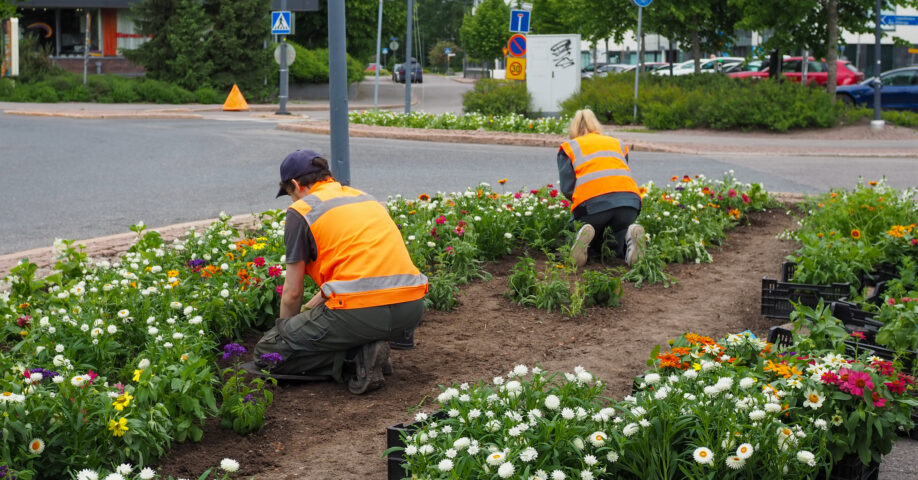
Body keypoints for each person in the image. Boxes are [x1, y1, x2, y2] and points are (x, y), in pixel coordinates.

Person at [250, 149, 428, 395]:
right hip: (410, 309)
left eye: (290, 194)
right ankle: (366, 350)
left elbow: (292, 292)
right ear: (327, 176)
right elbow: (356, 274)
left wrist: (285, 335)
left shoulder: (302, 211)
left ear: (295, 185)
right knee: (334, 320)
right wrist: (310, 311)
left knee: (267, 353)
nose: (292, 201)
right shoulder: (363, 198)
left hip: (361, 313)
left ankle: (354, 358)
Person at [557, 109, 645, 267]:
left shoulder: (569, 147)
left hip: (593, 207)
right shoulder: (617, 143)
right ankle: (628, 241)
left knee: (579, 228)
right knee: (616, 233)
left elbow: (568, 188)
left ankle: (581, 241)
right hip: (630, 203)